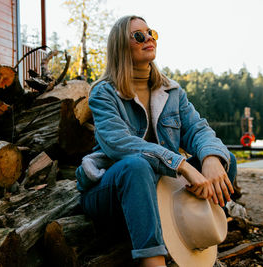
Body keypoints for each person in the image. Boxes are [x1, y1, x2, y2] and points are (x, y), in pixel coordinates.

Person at [75, 15, 237, 267]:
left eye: (150, 32)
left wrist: (212, 158)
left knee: (226, 162)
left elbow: (197, 129)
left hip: (163, 191)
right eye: (138, 36)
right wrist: (181, 165)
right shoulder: (104, 92)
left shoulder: (172, 91)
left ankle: (190, 232)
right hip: (111, 190)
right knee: (136, 166)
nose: (149, 38)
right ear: (120, 46)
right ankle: (153, 260)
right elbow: (119, 143)